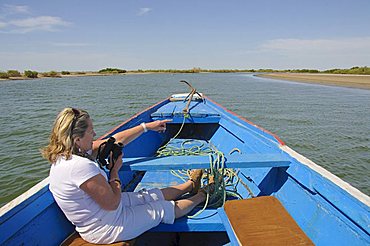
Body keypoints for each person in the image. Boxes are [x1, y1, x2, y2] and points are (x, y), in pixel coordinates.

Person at [41, 107, 208, 244]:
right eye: (91, 132)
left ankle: (191, 184)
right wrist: (115, 170)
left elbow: (114, 141)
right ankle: (203, 195)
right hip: (105, 227)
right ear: (77, 139)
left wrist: (146, 127)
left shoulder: (66, 155)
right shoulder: (79, 166)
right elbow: (113, 203)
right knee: (161, 209)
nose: (94, 135)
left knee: (151, 195)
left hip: (103, 213)